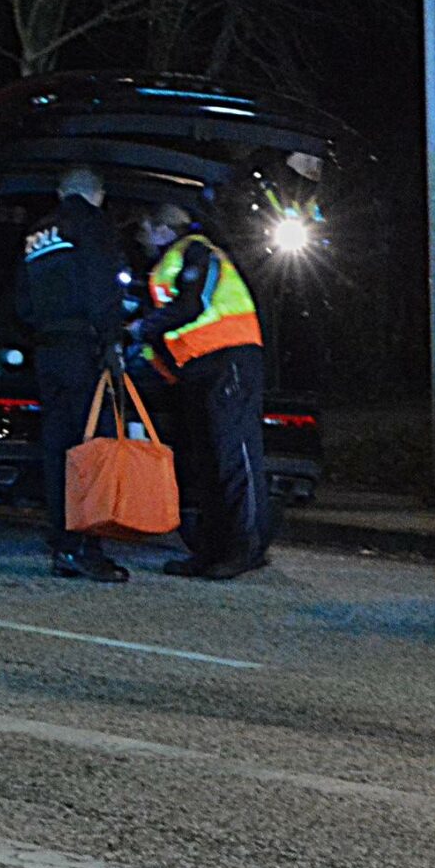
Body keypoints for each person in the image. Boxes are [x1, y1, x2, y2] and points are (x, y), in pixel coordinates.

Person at [129, 201, 269, 581]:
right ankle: (211, 551)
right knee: (206, 463)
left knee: (234, 457)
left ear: (162, 229)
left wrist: (143, 328)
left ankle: (247, 548)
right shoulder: (168, 264)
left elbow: (194, 304)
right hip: (199, 368)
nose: (141, 238)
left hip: (230, 360)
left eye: (144, 229)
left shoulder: (197, 250)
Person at [17, 167, 132, 583]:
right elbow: (104, 286)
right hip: (84, 349)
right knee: (93, 451)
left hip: (48, 351)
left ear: (60, 192)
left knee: (59, 450)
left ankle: (63, 545)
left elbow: (23, 301)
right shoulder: (92, 224)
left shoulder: (37, 232)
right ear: (96, 194)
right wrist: (112, 338)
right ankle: (88, 546)